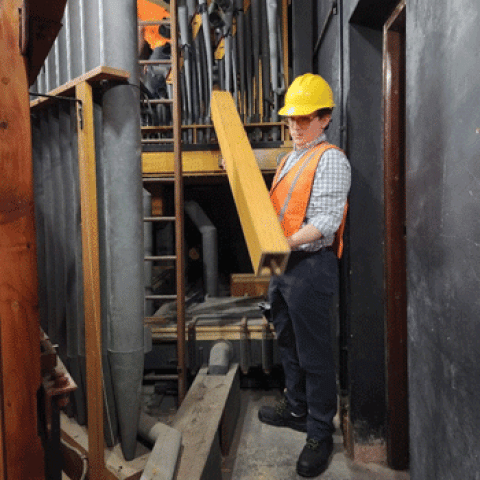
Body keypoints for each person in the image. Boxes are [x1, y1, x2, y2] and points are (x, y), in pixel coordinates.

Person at [258, 73, 351, 478]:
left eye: (305, 119)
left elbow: (327, 222)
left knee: (315, 354)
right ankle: (296, 408)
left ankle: (319, 431)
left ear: (325, 118)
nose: (296, 126)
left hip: (310, 265)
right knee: (286, 339)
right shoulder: (288, 159)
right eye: (291, 119)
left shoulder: (330, 158)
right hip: (281, 263)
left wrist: (286, 247)